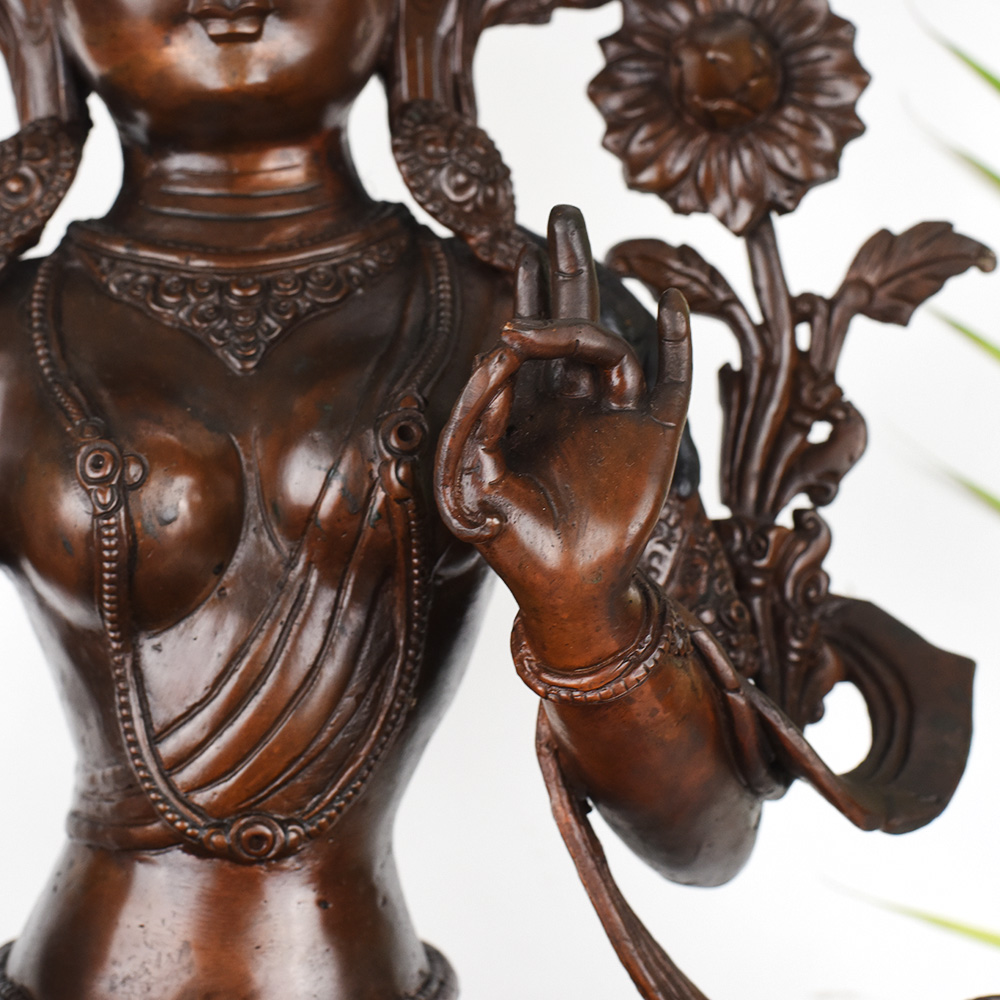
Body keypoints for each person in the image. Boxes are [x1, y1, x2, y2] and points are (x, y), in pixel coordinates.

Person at [0, 1, 975, 997]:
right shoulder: (12, 331)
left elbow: (708, 839)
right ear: (40, 17)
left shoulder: (534, 328)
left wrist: (586, 613)